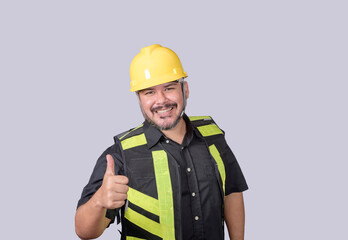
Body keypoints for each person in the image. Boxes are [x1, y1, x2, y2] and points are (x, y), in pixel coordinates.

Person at [75, 44, 248, 240]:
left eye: (169, 88)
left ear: (185, 89)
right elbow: (83, 231)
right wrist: (99, 201)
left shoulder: (213, 137)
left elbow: (231, 192)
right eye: (149, 92)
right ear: (139, 99)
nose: (161, 100)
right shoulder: (119, 155)